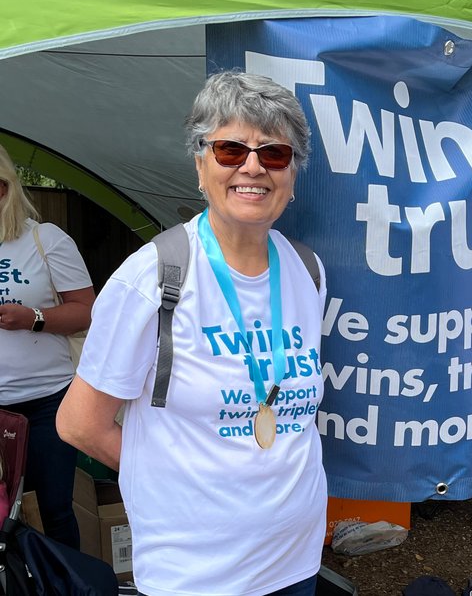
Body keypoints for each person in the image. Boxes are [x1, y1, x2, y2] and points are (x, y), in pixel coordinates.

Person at [57, 71, 328, 596]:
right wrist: (176, 477)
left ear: (293, 175)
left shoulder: (307, 270)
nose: (252, 166)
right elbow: (79, 425)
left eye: (274, 154)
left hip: (296, 560)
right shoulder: (153, 278)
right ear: (201, 166)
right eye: (230, 150)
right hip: (198, 574)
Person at [0, 146, 94, 549]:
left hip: (48, 402)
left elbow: (88, 312)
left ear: (8, 187)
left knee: (54, 509)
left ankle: (63, 582)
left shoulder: (45, 239)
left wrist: (32, 318)